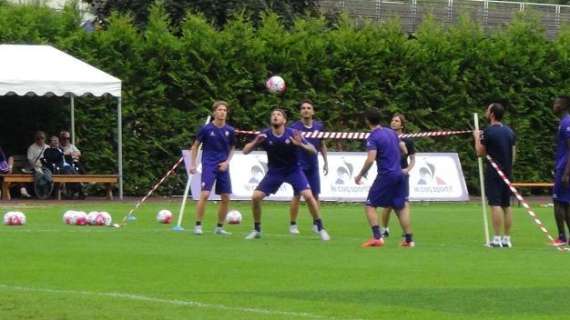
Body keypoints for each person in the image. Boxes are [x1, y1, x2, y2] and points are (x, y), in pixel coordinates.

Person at [242, 108, 331, 241]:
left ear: (284, 120)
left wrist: (300, 144)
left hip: (293, 170)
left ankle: (320, 227)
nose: (275, 117)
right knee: (255, 197)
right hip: (275, 171)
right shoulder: (265, 135)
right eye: (273, 115)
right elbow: (245, 151)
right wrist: (255, 142)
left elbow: (312, 150)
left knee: (308, 195)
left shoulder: (293, 133)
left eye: (278, 115)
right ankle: (256, 229)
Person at [355, 107, 413, 248]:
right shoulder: (390, 132)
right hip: (399, 174)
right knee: (400, 207)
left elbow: (370, 159)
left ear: (367, 120)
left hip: (386, 175)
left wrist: (360, 174)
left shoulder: (373, 137)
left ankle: (377, 238)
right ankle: (409, 240)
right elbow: (404, 150)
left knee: (370, 205)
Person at [473, 103, 516, 248]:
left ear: (492, 114)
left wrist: (476, 138)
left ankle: (496, 239)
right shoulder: (510, 132)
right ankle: (507, 239)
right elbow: (513, 155)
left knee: (495, 204)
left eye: (487, 110)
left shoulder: (488, 132)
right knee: (506, 205)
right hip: (507, 173)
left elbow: (480, 152)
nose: (485, 112)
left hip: (493, 172)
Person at [189, 101, 235, 236]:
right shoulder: (206, 129)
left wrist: (227, 162)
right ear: (214, 112)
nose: (222, 112)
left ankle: (219, 228)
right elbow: (195, 145)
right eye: (220, 110)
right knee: (205, 194)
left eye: (224, 110)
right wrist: (193, 163)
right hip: (209, 165)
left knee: (226, 196)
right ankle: (198, 225)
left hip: (223, 166)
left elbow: (233, 147)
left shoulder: (230, 131)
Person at [287, 99, 329, 235]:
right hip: (298, 165)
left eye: (309, 108)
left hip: (313, 165)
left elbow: (322, 145)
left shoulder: (319, 126)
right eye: (303, 108)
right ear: (300, 111)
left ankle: (316, 224)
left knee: (315, 195)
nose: (306, 110)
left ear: (313, 111)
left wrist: (326, 161)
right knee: (297, 195)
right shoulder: (294, 127)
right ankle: (293, 224)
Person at [380, 113, 416, 239]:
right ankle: (384, 229)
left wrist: (407, 169)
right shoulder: (386, 138)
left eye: (396, 121)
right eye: (392, 120)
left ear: (402, 125)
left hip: (402, 176)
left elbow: (412, 160)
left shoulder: (408, 140)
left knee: (404, 203)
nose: (393, 122)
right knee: (388, 205)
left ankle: (406, 232)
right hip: (389, 174)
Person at [552, 96, 570, 246]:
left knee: (558, 202)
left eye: (557, 103)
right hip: (562, 166)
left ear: (563, 106)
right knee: (565, 203)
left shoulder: (566, 123)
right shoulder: (562, 123)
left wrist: (566, 173)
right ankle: (565, 237)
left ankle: (562, 237)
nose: (554, 105)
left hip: (564, 168)